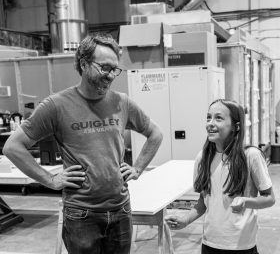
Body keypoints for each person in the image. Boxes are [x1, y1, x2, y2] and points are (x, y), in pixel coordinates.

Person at [3, 33, 163, 254]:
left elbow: (155, 133)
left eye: (114, 69)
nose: (110, 75)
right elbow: (12, 147)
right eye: (104, 68)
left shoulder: (122, 102)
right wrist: (49, 179)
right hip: (81, 215)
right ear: (84, 63)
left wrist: (137, 168)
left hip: (121, 210)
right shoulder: (56, 106)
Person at [165, 99, 275, 254]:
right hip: (209, 244)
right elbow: (203, 202)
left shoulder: (251, 156)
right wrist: (185, 220)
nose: (210, 123)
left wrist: (246, 201)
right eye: (208, 117)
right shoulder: (203, 158)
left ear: (235, 127)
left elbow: (269, 198)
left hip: (241, 246)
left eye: (218, 118)